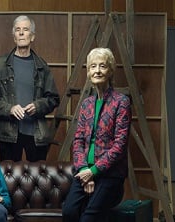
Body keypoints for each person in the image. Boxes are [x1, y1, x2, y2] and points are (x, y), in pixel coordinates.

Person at [62, 48, 132, 222]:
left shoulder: (121, 102)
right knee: (69, 212)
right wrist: (84, 169)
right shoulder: (86, 104)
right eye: (93, 66)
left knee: (89, 218)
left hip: (110, 174)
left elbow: (120, 145)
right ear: (88, 72)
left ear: (110, 71)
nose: (97, 70)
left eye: (102, 66)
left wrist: (93, 171)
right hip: (85, 170)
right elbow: (78, 140)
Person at [0, 15, 60, 162]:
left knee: (37, 178)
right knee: (9, 177)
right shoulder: (1, 64)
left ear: (32, 36)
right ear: (14, 37)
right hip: (9, 133)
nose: (21, 33)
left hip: (36, 133)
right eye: (18, 30)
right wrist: (9, 109)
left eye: (25, 29)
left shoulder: (42, 66)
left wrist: (38, 106)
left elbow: (53, 98)